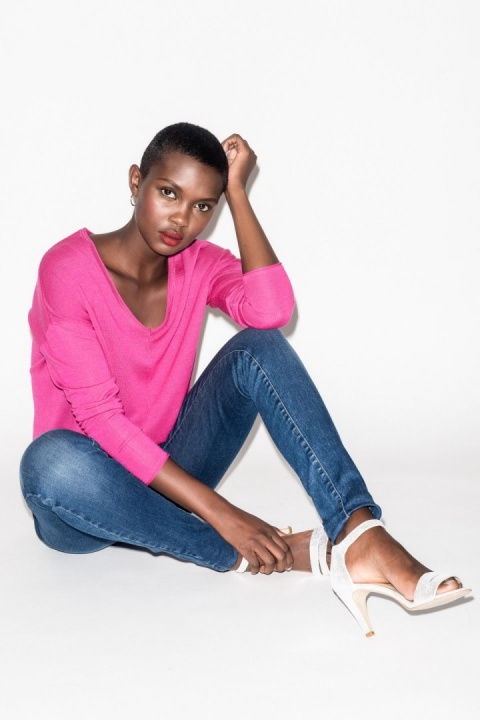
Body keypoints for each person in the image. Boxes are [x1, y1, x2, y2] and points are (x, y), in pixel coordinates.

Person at [19, 122, 470, 636]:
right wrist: (225, 516)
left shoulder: (199, 265)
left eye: (203, 205)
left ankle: (358, 532)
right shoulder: (67, 269)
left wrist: (237, 193)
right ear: (135, 181)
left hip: (171, 475)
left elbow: (271, 311)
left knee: (260, 347)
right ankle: (245, 553)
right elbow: (101, 420)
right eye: (169, 193)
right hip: (84, 495)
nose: (182, 219)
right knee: (48, 463)